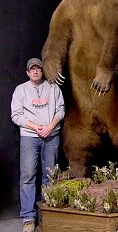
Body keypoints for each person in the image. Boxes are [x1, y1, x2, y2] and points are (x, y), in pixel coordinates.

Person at [11, 58, 65, 232]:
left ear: (43, 71)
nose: (35, 71)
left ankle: (47, 215)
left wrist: (50, 126)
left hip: (52, 136)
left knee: (50, 177)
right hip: (29, 138)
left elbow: (61, 110)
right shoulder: (21, 90)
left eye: (38, 69)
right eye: (32, 69)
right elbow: (16, 115)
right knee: (28, 177)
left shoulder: (53, 87)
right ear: (27, 73)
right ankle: (28, 218)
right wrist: (35, 127)